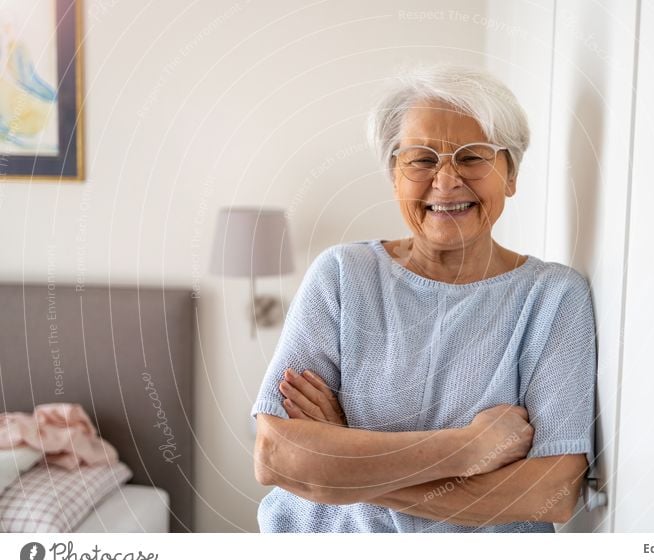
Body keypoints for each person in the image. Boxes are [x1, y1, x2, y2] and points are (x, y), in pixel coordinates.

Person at [251, 63, 597, 533]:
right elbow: (278, 457)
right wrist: (468, 448)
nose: (447, 179)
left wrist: (342, 459)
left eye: (473, 157)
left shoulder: (554, 298)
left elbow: (549, 493)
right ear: (395, 175)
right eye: (421, 159)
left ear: (510, 175)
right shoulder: (341, 276)